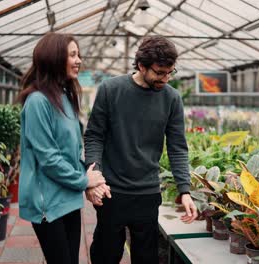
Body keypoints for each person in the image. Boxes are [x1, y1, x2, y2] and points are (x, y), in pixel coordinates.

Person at [84, 36, 198, 264]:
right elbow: (94, 135)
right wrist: (95, 177)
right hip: (110, 192)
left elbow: (177, 147)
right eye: (159, 73)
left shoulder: (172, 98)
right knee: (105, 255)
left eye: (170, 73)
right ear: (141, 66)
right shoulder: (110, 89)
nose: (165, 79)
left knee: (146, 258)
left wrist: (184, 190)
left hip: (147, 193)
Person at [17, 33, 105, 264]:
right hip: (48, 203)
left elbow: (73, 151)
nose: (79, 60)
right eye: (73, 55)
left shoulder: (65, 96)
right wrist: (85, 181)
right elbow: (49, 158)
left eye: (79, 55)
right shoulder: (38, 102)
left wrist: (85, 180)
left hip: (68, 197)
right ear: (54, 58)